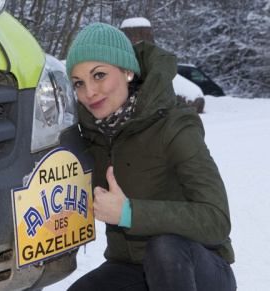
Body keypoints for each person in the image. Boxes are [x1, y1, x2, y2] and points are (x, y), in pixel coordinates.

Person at [64, 23, 236, 290]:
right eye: (79, 83)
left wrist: (128, 213)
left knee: (164, 248)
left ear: (127, 71)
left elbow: (217, 219)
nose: (89, 92)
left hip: (196, 266)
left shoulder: (174, 126)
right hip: (130, 267)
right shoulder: (89, 134)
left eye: (99, 75)